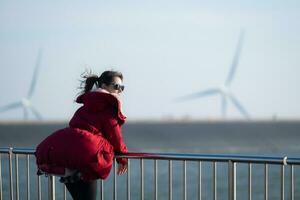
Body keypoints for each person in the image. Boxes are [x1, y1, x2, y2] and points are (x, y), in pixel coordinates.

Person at [35, 70, 128, 200]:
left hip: (68, 156)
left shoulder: (84, 107)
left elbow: (73, 125)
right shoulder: (108, 108)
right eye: (116, 86)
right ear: (103, 86)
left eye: (122, 87)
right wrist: (122, 158)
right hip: (87, 157)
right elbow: (115, 136)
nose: (119, 91)